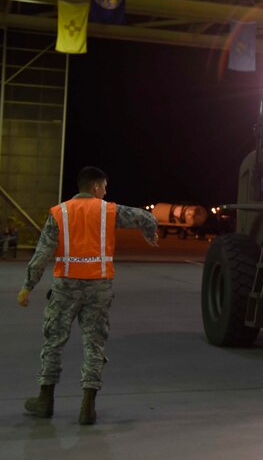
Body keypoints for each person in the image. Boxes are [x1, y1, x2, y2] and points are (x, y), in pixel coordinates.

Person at [16, 166, 158, 425]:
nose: (105, 192)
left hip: (65, 288)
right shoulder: (109, 211)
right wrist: (150, 234)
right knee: (94, 344)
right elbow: (145, 217)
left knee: (53, 341)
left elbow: (42, 254)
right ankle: (87, 407)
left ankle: (45, 400)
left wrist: (28, 286)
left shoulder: (59, 213)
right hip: (99, 288)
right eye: (104, 187)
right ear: (95, 187)